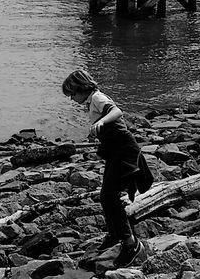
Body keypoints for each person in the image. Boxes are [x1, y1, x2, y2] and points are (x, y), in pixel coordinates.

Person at [61, 69, 152, 267]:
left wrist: (101, 121)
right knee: (106, 195)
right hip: (115, 149)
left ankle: (131, 243)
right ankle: (114, 234)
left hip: (124, 149)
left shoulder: (97, 97)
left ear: (82, 88)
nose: (72, 99)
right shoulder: (91, 100)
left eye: (72, 94)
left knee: (109, 195)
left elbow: (117, 111)